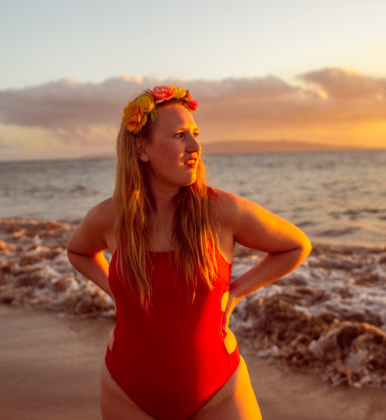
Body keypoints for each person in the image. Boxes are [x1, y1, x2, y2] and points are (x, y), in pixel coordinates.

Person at [66, 85, 312, 420]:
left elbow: (296, 245)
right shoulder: (110, 217)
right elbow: (78, 252)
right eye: (180, 135)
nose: (195, 146)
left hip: (219, 393)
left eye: (195, 134)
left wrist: (237, 291)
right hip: (127, 392)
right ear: (142, 149)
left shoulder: (222, 211)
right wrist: (116, 289)